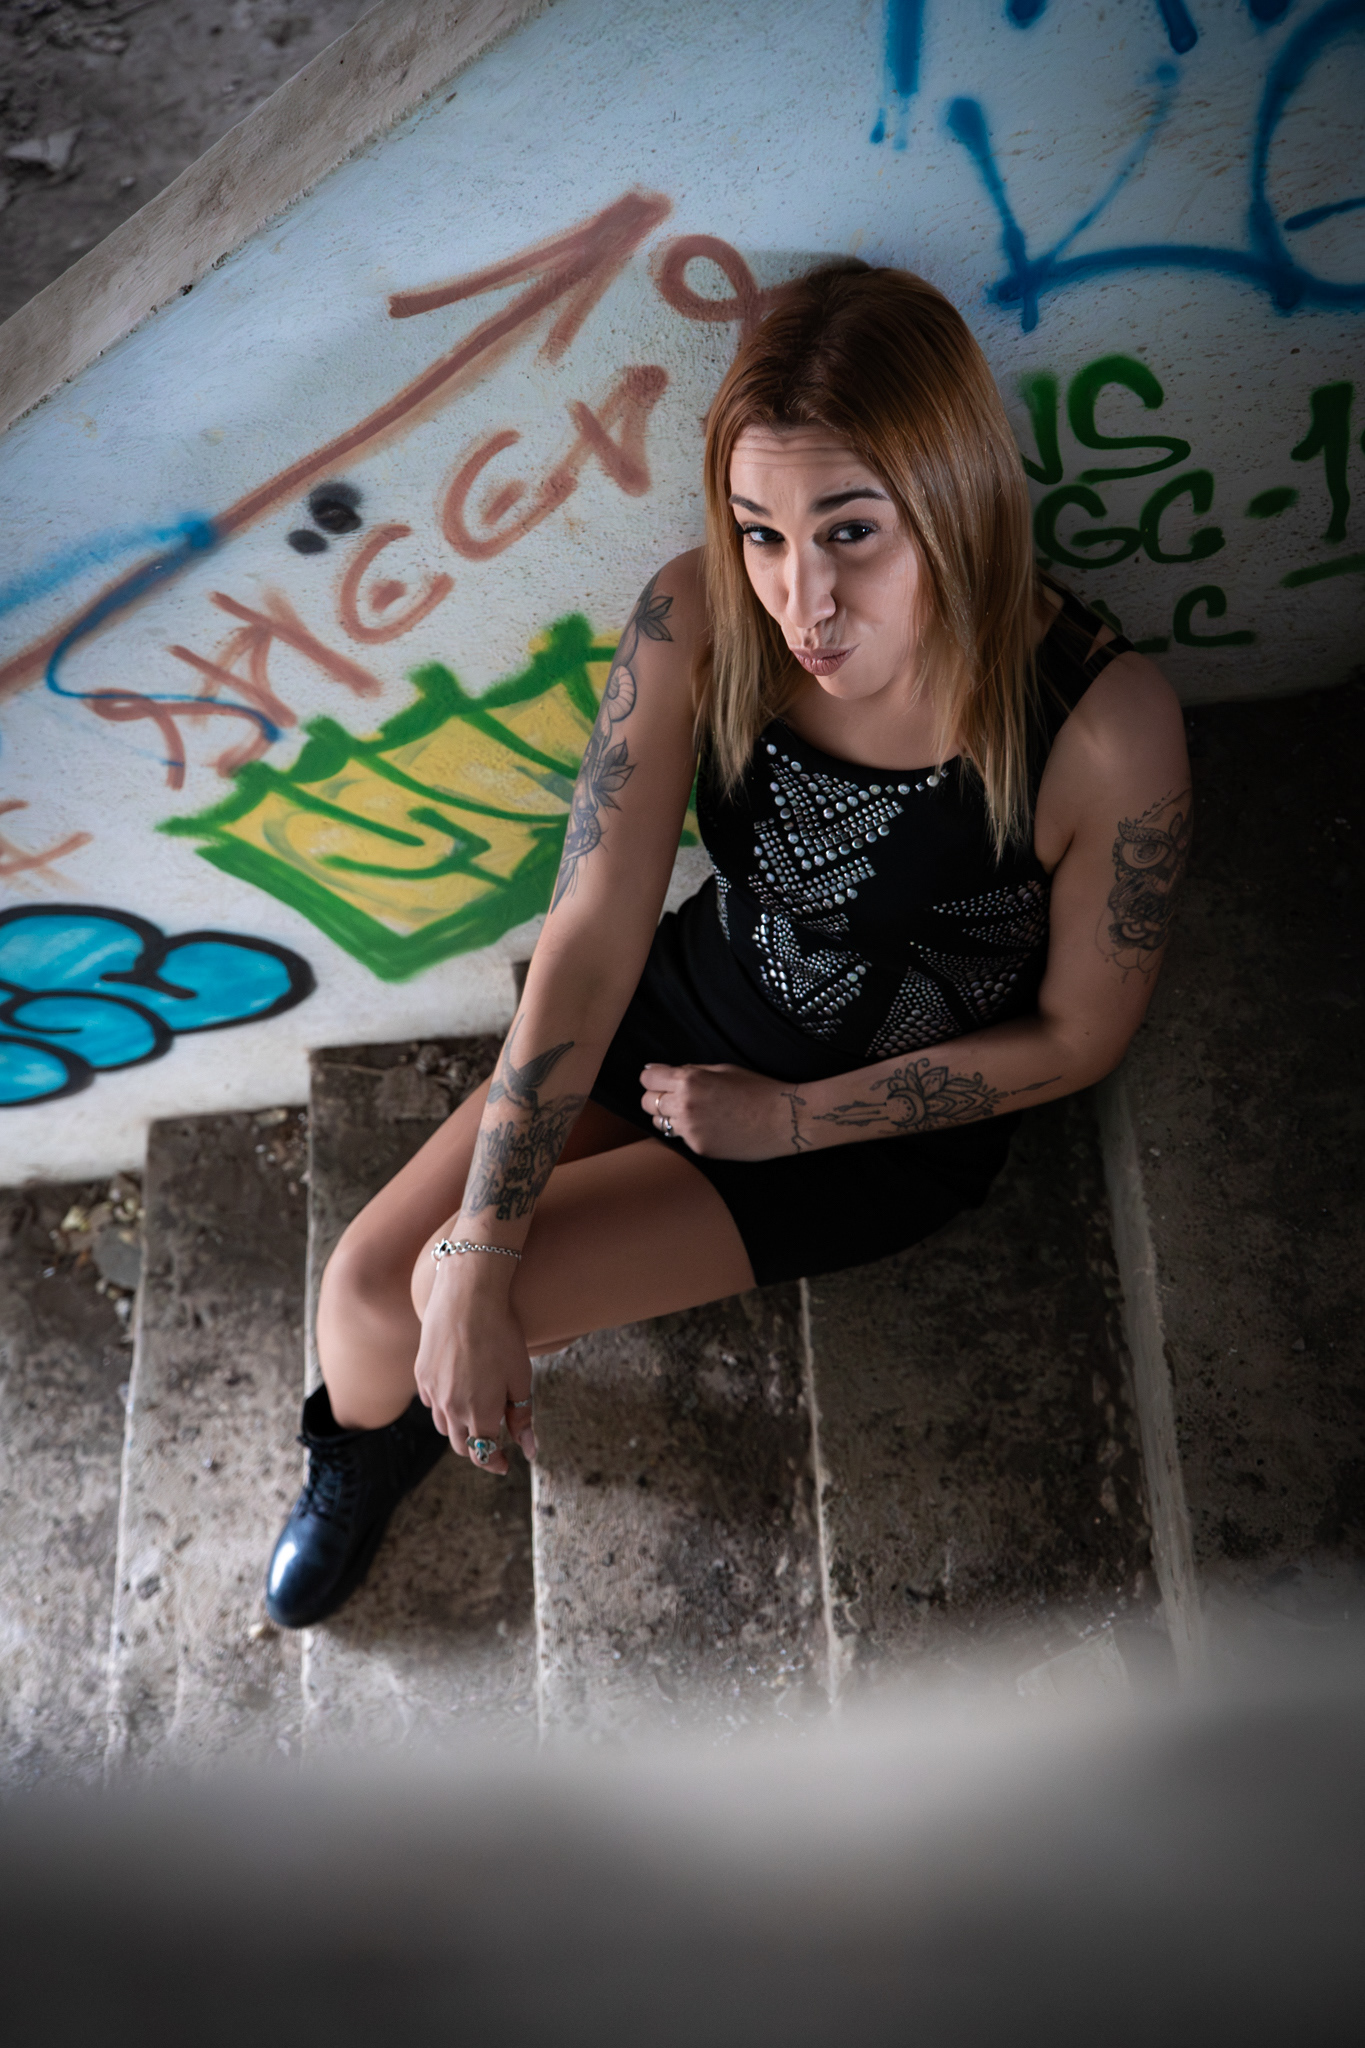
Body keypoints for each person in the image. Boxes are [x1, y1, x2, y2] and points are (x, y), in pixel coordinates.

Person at [264, 262, 1191, 1630]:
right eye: (762, 532)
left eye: (852, 531)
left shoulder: (1101, 729)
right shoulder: (696, 618)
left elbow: (1079, 1037)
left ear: (957, 497)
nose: (802, 600)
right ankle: (374, 1445)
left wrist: (794, 1121)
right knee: (364, 1296)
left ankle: (423, 1376)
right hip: (688, 1003)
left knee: (436, 1292)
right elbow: (591, 931)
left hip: (865, 1131)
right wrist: (483, 1245)